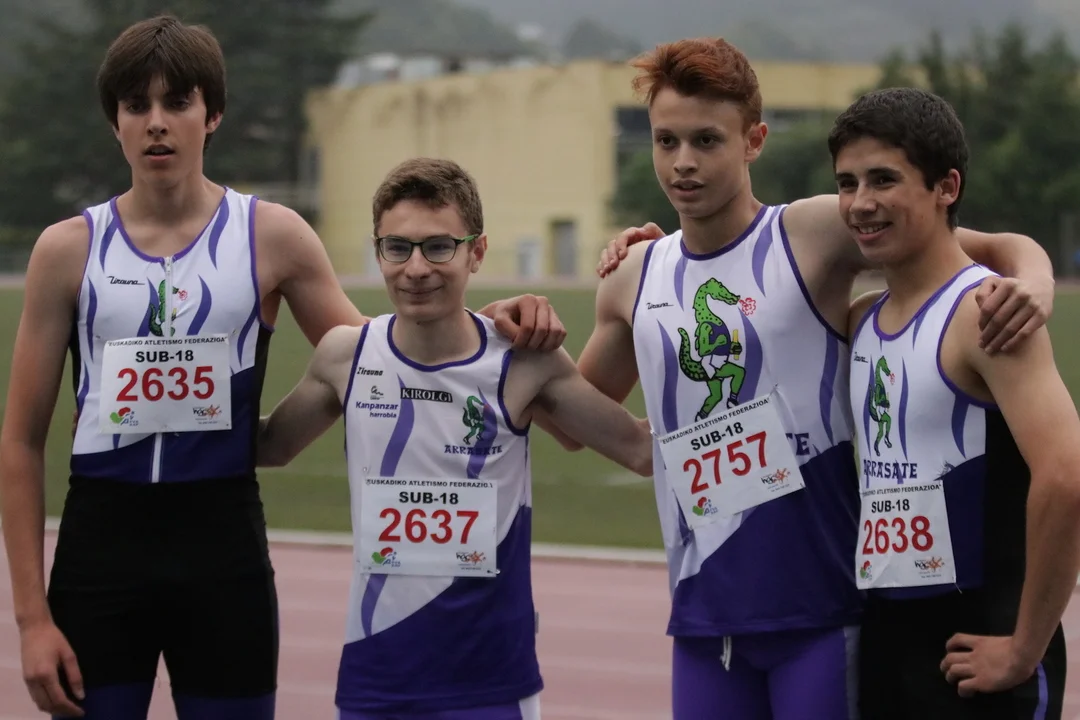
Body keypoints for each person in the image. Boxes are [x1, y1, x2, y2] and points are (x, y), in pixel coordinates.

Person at [0, 15, 565, 720]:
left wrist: (497, 324)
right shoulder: (68, 251)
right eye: (136, 105)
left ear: (213, 114)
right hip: (99, 554)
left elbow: (389, 359)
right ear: (114, 121)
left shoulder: (271, 235)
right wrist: (31, 620)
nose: (156, 122)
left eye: (177, 102)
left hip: (223, 555)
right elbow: (20, 441)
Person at [551, 37, 1056, 719]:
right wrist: (525, 340)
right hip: (702, 616)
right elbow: (577, 421)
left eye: (706, 140)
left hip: (824, 610)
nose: (683, 161)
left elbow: (977, 245)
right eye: (666, 141)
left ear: (753, 141)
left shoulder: (814, 232)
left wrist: (1034, 279)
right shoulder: (633, 277)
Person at [255, 156, 654, 719]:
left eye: (439, 247)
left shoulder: (523, 363)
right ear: (378, 252)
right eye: (398, 247)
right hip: (377, 679)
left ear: (477, 252)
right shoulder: (345, 356)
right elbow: (269, 447)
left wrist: (657, 288)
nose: (416, 268)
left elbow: (640, 450)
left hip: (491, 685)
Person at [835, 87, 1080, 720]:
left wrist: (1023, 648)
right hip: (888, 643)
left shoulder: (985, 312)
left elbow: (1067, 476)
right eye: (847, 183)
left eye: (883, 179)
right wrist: (650, 249)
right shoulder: (860, 320)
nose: (860, 202)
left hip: (980, 651)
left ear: (946, 187)